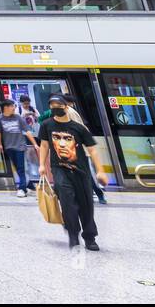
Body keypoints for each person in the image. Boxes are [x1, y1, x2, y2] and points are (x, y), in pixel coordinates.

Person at [38, 94, 108, 251]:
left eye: (59, 105)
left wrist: (100, 171)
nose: (56, 108)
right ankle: (73, 233)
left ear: (66, 107)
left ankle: (90, 237)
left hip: (81, 171)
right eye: (52, 105)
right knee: (67, 202)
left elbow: (92, 150)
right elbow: (44, 145)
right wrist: (42, 165)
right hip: (59, 169)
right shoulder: (46, 125)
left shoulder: (79, 128)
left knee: (86, 206)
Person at [62, 93, 107, 204]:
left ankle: (99, 193)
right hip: (70, 150)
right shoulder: (63, 113)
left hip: (79, 150)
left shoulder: (70, 112)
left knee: (86, 174)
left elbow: (81, 129)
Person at [0, 98, 36, 197]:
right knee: (17, 167)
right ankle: (29, 184)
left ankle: (22, 189)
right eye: (13, 106)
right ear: (6, 107)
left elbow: (27, 131)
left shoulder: (18, 117)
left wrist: (35, 144)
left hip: (20, 146)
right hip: (9, 146)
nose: (14, 108)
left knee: (21, 168)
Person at [19, 95, 40, 189]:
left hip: (34, 133)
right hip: (24, 134)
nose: (27, 105)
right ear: (21, 103)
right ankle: (30, 179)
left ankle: (36, 176)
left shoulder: (33, 108)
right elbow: (17, 119)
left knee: (34, 156)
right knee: (28, 156)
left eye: (28, 103)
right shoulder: (18, 109)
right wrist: (25, 115)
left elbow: (39, 117)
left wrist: (34, 114)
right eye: (25, 103)